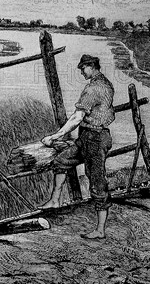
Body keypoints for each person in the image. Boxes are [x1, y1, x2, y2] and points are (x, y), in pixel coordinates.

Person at [39, 54, 115, 239]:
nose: (81, 71)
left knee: (97, 182)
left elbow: (77, 117)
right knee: (62, 160)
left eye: (83, 68)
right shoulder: (106, 84)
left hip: (95, 139)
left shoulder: (93, 89)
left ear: (92, 66)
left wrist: (55, 136)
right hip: (87, 137)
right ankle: (55, 200)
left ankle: (100, 230)